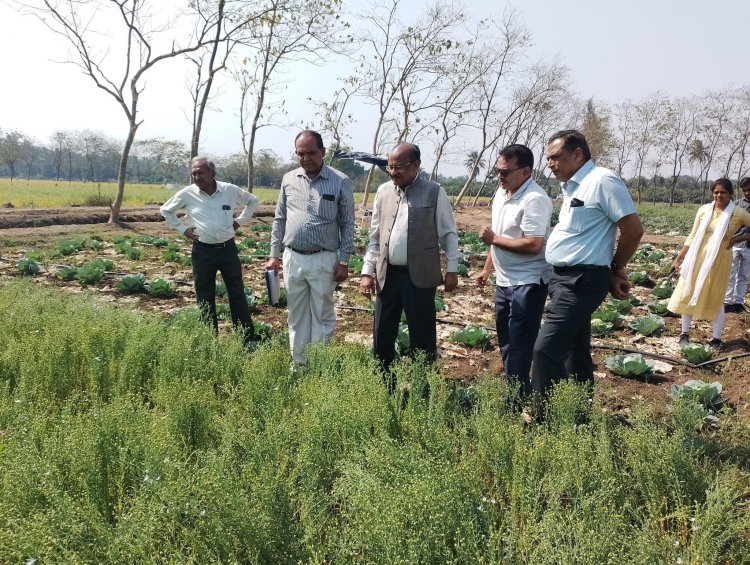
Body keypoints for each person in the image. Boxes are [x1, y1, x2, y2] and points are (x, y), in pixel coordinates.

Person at [531, 130, 644, 410]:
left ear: (578, 154)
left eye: (556, 157)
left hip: (582, 280)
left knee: (545, 350)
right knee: (575, 350)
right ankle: (579, 414)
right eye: (548, 159)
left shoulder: (602, 181)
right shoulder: (572, 186)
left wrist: (617, 267)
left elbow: (633, 230)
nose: (551, 164)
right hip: (563, 279)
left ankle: (548, 417)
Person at [359, 142, 463, 387]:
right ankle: (385, 385)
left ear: (416, 165)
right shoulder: (384, 192)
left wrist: (452, 269)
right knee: (382, 336)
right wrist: (367, 271)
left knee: (423, 338)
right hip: (388, 275)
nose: (393, 172)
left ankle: (422, 388)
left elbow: (448, 234)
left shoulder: (434, 192)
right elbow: (375, 237)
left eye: (399, 167)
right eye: (389, 167)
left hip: (420, 278)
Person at [267, 130, 355, 367]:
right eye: (300, 153)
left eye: (311, 153)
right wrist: (274, 255)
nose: (305, 158)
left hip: (323, 259)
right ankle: (299, 365)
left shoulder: (340, 181)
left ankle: (319, 365)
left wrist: (344, 260)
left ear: (323, 152)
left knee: (322, 314)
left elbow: (347, 223)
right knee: (296, 315)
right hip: (293, 257)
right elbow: (280, 218)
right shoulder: (289, 179)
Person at [475, 144, 552, 409]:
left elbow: (533, 244)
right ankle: (517, 390)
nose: (500, 177)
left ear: (526, 171)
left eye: (506, 172)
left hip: (528, 281)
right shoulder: (502, 193)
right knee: (506, 340)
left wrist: (494, 239)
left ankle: (516, 400)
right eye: (498, 171)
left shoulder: (535, 200)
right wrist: (487, 268)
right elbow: (497, 236)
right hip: (505, 280)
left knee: (520, 342)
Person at [160, 156, 259, 345]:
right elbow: (166, 210)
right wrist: (183, 230)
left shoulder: (229, 190)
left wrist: (239, 221)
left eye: (201, 172)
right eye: (194, 173)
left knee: (237, 293)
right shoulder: (187, 194)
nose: (197, 176)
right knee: (204, 295)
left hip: (227, 250)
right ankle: (209, 340)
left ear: (212, 174)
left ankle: (246, 337)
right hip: (202, 252)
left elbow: (252, 201)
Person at [668, 178, 750, 351]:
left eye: (723, 192)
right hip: (696, 258)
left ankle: (716, 339)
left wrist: (738, 238)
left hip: (720, 259)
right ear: (712, 193)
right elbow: (692, 236)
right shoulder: (704, 210)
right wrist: (679, 258)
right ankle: (684, 333)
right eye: (716, 192)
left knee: (717, 296)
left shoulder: (738, 213)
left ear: (730, 194)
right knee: (687, 291)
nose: (719, 195)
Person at [723, 177, 750, 313]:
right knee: (730, 273)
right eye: (744, 190)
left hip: (748, 246)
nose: (747, 193)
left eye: (749, 190)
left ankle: (738, 302)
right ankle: (728, 302)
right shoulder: (737, 205)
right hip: (733, 245)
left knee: (744, 275)